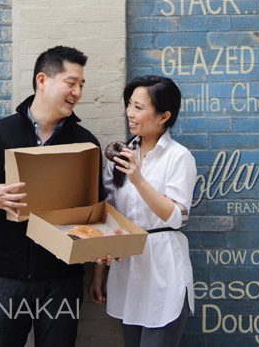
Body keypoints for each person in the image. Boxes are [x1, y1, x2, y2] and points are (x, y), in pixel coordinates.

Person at [0, 45, 104, 347]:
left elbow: (96, 213)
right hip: (6, 276)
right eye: (71, 82)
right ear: (42, 80)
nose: (77, 92)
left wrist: (99, 262)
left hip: (63, 278)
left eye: (81, 85)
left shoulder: (86, 142)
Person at [89, 75, 197, 347]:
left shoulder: (179, 157)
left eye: (139, 107)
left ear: (164, 116)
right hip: (127, 266)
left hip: (163, 267)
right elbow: (108, 214)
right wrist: (99, 273)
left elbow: (175, 216)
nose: (129, 113)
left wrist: (137, 177)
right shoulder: (121, 156)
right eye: (129, 105)